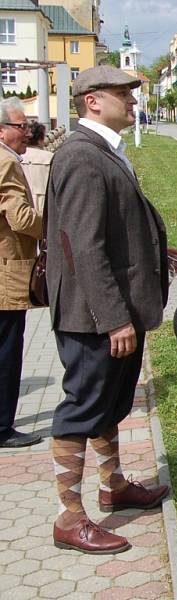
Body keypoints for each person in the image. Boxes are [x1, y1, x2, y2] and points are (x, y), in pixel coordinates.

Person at [47, 65, 177, 554]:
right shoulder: (82, 156)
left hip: (111, 310)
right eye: (122, 93)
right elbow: (83, 245)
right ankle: (69, 516)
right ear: (92, 101)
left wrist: (156, 253)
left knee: (109, 403)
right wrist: (113, 317)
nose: (132, 100)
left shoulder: (104, 150)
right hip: (93, 317)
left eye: (132, 93)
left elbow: (116, 226)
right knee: (81, 409)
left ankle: (114, 486)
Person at [0, 97, 43, 449]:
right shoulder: (6, 162)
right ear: (2, 130)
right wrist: (55, 225)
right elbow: (22, 219)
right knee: (7, 352)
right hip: (6, 274)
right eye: (20, 126)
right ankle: (3, 427)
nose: (26, 132)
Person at [21, 120, 53, 215]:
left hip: (24, 202)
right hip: (45, 202)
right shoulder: (50, 157)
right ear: (40, 139)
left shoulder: (17, 157)